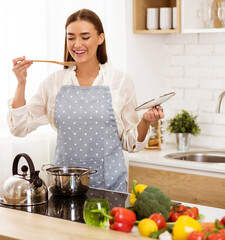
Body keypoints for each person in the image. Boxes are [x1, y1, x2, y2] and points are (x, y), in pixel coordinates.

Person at [8, 9, 164, 192]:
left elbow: (131, 143)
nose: (77, 44)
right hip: (64, 189)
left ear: (100, 38)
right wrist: (21, 83)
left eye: (85, 37)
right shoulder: (54, 82)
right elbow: (19, 128)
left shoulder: (120, 81)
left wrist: (145, 120)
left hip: (111, 188)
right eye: (71, 37)